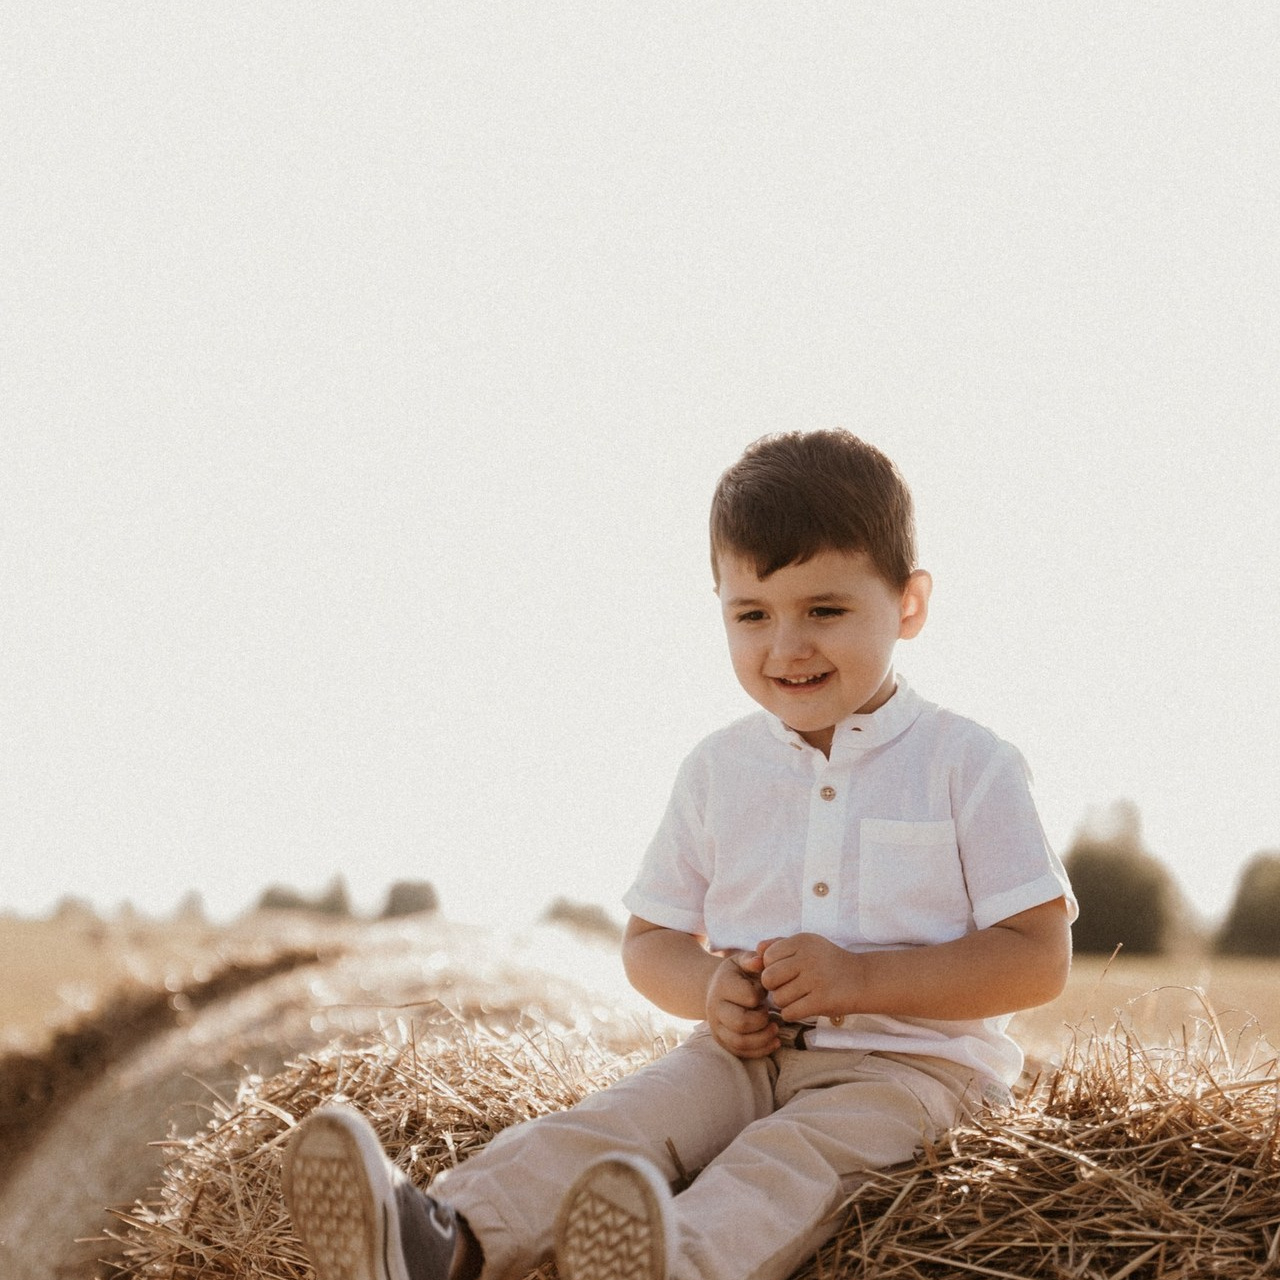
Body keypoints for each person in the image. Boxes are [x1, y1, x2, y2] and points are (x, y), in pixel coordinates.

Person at [282, 429, 1076, 1280]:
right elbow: (649, 941)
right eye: (752, 616)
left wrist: (862, 981)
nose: (787, 647)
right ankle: (443, 1238)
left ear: (909, 605)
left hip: (916, 1077)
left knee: (789, 1163)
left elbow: (1037, 958)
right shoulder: (717, 771)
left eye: (826, 611)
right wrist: (708, 990)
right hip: (745, 1054)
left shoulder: (967, 764)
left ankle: (673, 1267)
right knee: (623, 1117)